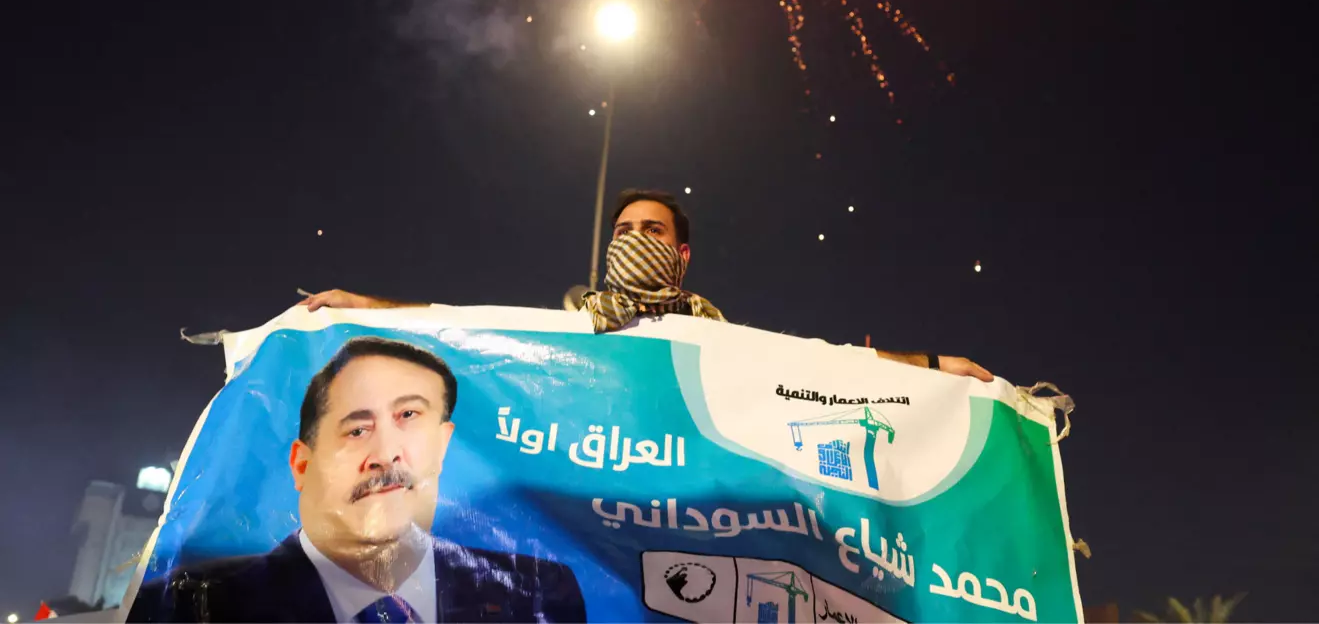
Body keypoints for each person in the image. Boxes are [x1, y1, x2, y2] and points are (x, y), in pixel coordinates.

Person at [298, 188, 994, 382]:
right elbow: (470, 327)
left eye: (651, 231)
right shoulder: (571, 331)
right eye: (623, 229)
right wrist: (367, 310)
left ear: (682, 255)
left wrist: (933, 369)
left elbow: (819, 362)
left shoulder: (715, 342)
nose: (632, 240)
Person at [128, 336, 586, 623]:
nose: (386, 454)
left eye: (409, 416)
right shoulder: (203, 603)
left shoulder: (535, 594)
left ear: (444, 443)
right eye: (357, 429)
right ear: (302, 465)